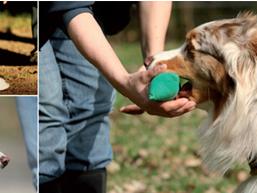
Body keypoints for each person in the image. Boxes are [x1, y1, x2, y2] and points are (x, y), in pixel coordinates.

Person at [39, 2, 195, 193]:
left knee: (90, 107)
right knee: (43, 117)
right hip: (12, 15)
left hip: (70, 9)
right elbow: (70, 5)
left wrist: (153, 64)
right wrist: (125, 82)